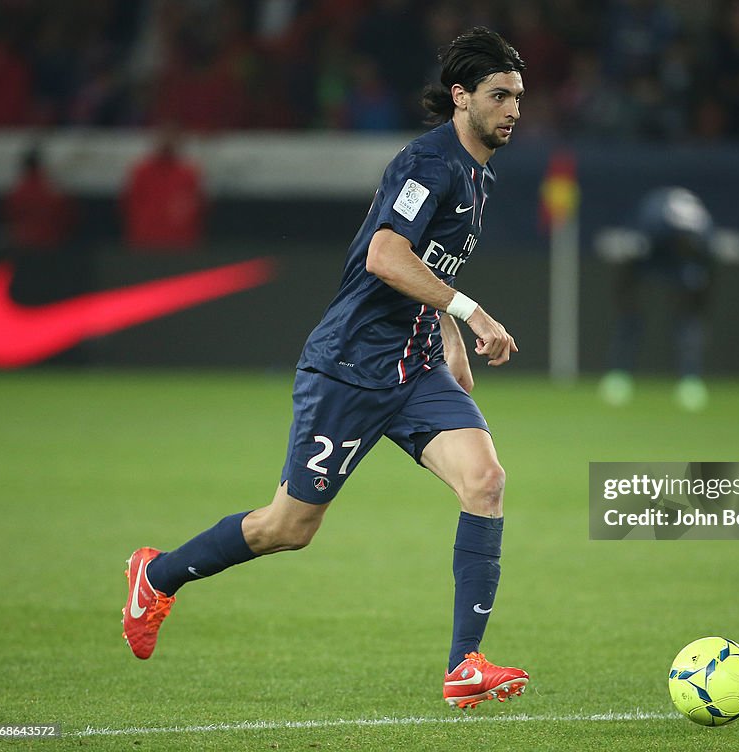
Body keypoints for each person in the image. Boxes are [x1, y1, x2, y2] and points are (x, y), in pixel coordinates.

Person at [122, 27, 529, 710]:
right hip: (350, 367)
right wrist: (474, 312)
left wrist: (450, 336)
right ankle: (157, 575)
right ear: (460, 97)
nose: (513, 108)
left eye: (518, 95)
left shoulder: (476, 173)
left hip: (414, 364)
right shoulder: (428, 164)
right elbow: (386, 257)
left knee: (485, 481)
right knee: (289, 528)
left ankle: (465, 667)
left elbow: (426, 268)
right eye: (498, 95)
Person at [595, 187, 714, 411]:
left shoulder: (702, 237)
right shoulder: (652, 224)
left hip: (683, 260)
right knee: (630, 319)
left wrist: (696, 300)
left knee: (687, 323)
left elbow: (705, 278)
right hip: (649, 254)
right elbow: (629, 266)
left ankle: (691, 380)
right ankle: (618, 376)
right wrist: (627, 299)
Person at [120, 124, 205, 252]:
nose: (167, 142)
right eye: (163, 137)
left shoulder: (188, 174)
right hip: (145, 240)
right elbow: (129, 205)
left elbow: (198, 208)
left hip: (181, 242)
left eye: (172, 137)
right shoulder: (142, 172)